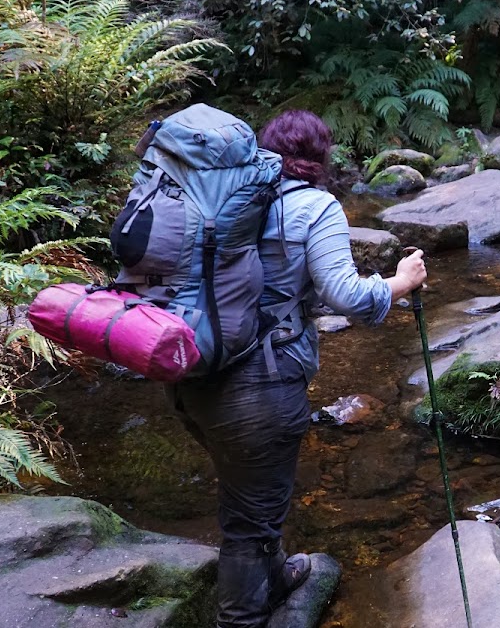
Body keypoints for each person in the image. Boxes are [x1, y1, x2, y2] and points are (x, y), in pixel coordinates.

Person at [166, 109, 427, 628]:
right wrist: (403, 281)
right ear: (320, 155)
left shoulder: (215, 200)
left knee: (249, 493)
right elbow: (346, 296)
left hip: (187, 369)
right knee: (250, 515)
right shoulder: (314, 205)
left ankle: (276, 574)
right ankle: (242, 618)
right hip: (258, 384)